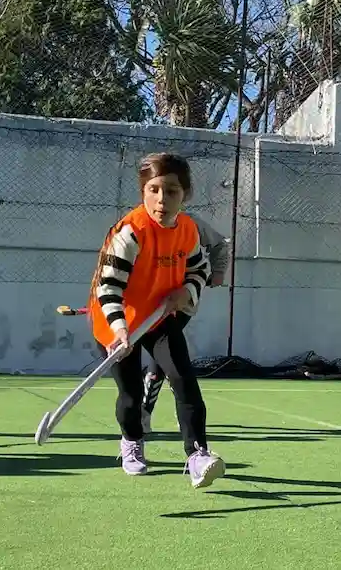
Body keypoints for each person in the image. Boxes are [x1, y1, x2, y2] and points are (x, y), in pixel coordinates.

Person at [88, 152, 226, 488]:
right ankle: (132, 442)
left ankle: (197, 456)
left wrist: (187, 292)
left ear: (185, 194)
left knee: (183, 379)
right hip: (117, 319)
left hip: (161, 316)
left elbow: (199, 268)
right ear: (143, 191)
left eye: (172, 191)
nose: (162, 200)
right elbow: (108, 288)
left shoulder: (188, 230)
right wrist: (119, 330)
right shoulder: (130, 232)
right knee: (131, 395)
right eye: (154, 190)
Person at [141, 215, 230, 435]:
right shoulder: (140, 225)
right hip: (149, 302)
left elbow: (220, 243)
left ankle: (149, 413)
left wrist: (218, 271)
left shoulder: (191, 223)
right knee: (162, 357)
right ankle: (149, 412)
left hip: (181, 303)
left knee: (165, 354)